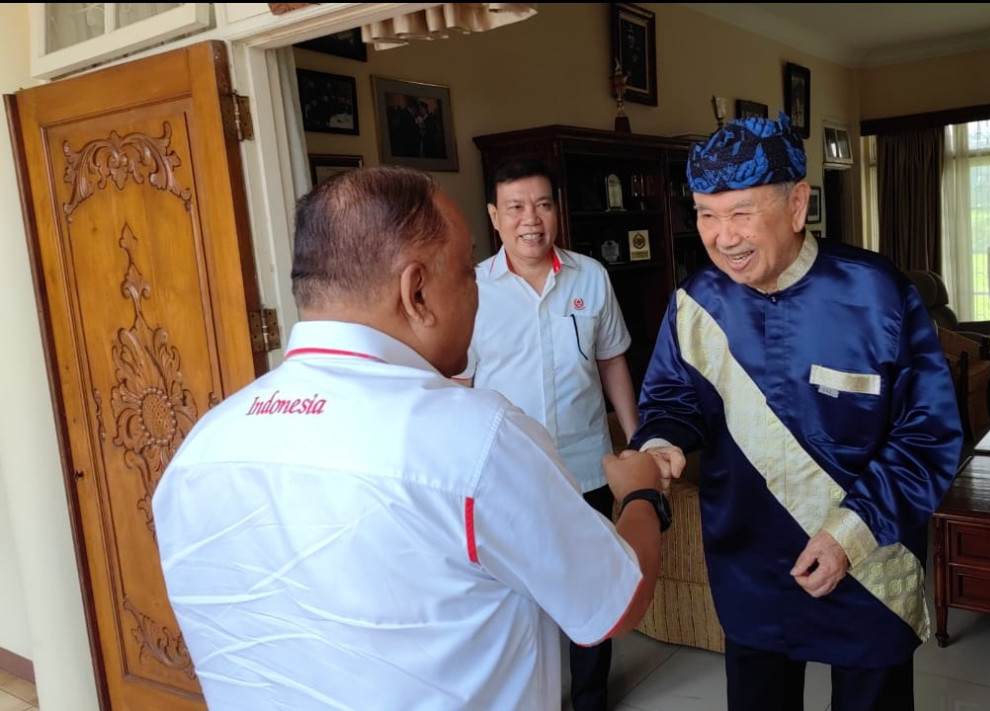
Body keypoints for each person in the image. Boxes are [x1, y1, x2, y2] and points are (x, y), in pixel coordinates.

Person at [151, 166, 671, 710]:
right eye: (467, 273)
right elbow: (616, 601)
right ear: (416, 291)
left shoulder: (199, 450)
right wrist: (640, 494)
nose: (477, 290)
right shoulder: (477, 443)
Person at [628, 113, 963, 711]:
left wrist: (848, 536)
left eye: (740, 213)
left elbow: (928, 433)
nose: (722, 236)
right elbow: (671, 397)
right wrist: (663, 440)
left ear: (796, 204)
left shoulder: (877, 293)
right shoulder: (695, 304)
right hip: (751, 559)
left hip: (870, 559)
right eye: (707, 214)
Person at [455, 157, 639, 711]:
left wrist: (636, 438)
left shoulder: (591, 277)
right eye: (514, 207)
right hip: (509, 475)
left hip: (587, 464)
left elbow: (612, 364)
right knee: (518, 602)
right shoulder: (472, 290)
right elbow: (458, 387)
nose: (529, 219)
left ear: (556, 210)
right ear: (494, 215)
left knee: (593, 590)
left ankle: (588, 699)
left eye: (541, 204)